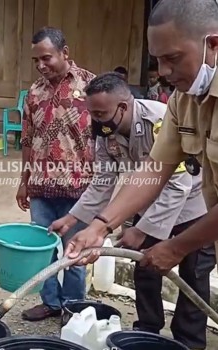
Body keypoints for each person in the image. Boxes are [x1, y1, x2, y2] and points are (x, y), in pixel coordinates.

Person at [51, 72, 215, 349]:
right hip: (147, 204)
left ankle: (189, 341)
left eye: (101, 112)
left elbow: (179, 184)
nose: (96, 120)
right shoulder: (106, 131)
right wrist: (74, 217)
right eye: (92, 113)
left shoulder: (160, 120)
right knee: (146, 270)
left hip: (193, 209)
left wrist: (141, 229)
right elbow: (103, 180)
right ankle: (146, 334)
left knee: (194, 276)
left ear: (123, 107)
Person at [63, 0, 218, 285]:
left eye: (172, 58)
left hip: (193, 213)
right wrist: (99, 227)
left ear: (214, 45)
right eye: (157, 59)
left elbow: (178, 183)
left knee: (193, 284)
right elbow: (153, 170)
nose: (162, 71)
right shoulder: (182, 102)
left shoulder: (157, 114)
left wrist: (176, 246)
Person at [17, 26, 95, 321]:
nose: (41, 65)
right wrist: (24, 182)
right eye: (36, 60)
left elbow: (102, 140)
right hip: (40, 188)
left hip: (79, 189)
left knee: (74, 254)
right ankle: (50, 302)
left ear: (65, 53)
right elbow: (27, 140)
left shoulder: (91, 86)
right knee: (43, 251)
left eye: (46, 58)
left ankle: (73, 306)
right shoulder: (34, 93)